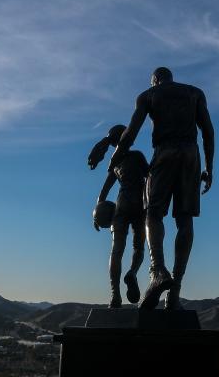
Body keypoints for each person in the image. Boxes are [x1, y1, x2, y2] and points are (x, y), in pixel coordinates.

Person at [110, 66, 215, 310]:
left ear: (155, 80)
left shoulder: (148, 95)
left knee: (153, 213)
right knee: (185, 219)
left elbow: (130, 133)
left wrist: (116, 157)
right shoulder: (194, 92)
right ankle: (174, 294)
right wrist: (210, 168)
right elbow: (208, 132)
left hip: (165, 152)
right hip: (191, 154)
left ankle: (157, 270)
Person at [88, 123, 149, 308]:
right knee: (138, 247)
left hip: (121, 205)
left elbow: (104, 191)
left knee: (117, 251)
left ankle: (115, 295)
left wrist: (96, 215)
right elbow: (150, 176)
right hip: (140, 204)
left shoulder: (114, 163)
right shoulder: (137, 156)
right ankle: (132, 272)